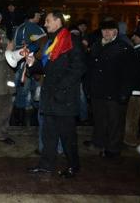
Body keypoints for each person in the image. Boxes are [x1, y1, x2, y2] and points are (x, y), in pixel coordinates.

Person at [26, 10, 86, 178]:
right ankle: (46, 165)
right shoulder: (52, 41)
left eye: (48, 21)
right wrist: (32, 64)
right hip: (50, 97)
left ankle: (74, 166)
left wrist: (60, 89)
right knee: (49, 134)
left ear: (58, 21)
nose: (45, 24)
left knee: (67, 136)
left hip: (64, 98)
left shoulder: (71, 40)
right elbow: (46, 67)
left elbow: (78, 68)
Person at [85, 20, 135, 158]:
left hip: (114, 91)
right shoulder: (96, 45)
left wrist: (125, 92)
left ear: (116, 31)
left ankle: (113, 149)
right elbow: (90, 69)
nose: (106, 33)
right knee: (99, 120)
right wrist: (88, 87)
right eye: (104, 30)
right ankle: (98, 143)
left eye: (110, 30)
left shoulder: (123, 48)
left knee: (114, 122)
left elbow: (129, 73)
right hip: (97, 91)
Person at [12, 8, 46, 126]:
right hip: (31, 63)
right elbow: (41, 44)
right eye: (38, 14)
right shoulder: (35, 28)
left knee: (23, 90)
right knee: (35, 89)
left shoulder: (20, 27)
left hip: (21, 63)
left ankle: (19, 118)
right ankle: (34, 119)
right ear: (32, 15)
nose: (40, 17)